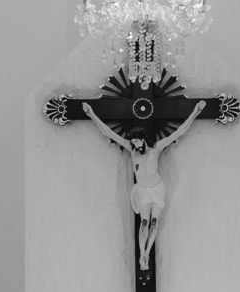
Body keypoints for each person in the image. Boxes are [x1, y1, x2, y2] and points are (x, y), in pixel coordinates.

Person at [81, 97, 207, 270]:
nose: (135, 144)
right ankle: (143, 255)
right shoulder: (132, 151)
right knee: (145, 223)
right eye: (132, 142)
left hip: (157, 189)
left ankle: (147, 251)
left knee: (154, 221)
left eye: (137, 141)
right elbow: (109, 133)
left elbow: (179, 132)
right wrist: (91, 114)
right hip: (142, 191)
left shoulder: (156, 148)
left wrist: (196, 111)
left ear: (143, 138)